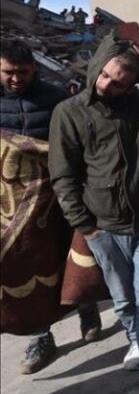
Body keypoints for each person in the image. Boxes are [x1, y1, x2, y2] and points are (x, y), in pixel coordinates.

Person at [48, 34, 139, 394]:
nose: (108, 84)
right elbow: (63, 177)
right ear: (98, 66)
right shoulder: (69, 113)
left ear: (132, 84)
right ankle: (137, 340)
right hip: (103, 226)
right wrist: (86, 227)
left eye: (120, 82)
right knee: (123, 297)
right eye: (106, 75)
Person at [1, 40, 102, 375]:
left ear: (35, 68)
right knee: (25, 267)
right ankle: (40, 335)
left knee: (70, 255)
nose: (16, 79)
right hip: (13, 206)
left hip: (58, 196)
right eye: (8, 72)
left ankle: (86, 307)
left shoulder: (56, 96)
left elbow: (74, 139)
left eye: (23, 72)